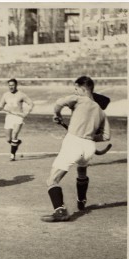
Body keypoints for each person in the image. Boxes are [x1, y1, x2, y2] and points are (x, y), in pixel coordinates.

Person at [41, 76, 111, 222]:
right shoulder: (101, 111)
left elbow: (59, 102)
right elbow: (106, 136)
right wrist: (90, 136)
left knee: (52, 180)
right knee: (81, 170)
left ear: (82, 88)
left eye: (76, 89)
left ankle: (60, 211)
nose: (75, 91)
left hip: (73, 143)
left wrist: (57, 114)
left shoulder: (79, 99)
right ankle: (81, 200)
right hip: (89, 147)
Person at [0, 78, 34, 161]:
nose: (11, 87)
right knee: (8, 139)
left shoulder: (21, 95)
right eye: (9, 85)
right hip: (9, 117)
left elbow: (31, 104)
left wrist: (26, 113)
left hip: (18, 117)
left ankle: (12, 155)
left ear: (16, 85)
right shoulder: (5, 95)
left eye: (12, 85)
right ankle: (16, 143)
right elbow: (1, 106)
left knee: (15, 134)